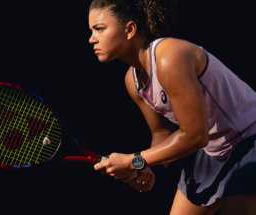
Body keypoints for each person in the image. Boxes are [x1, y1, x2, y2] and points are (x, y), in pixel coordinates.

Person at [89, 0, 256, 214]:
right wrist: (148, 167)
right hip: (213, 151)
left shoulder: (169, 56)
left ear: (130, 29)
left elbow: (195, 136)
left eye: (99, 29)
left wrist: (134, 160)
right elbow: (161, 132)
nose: (92, 38)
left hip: (249, 138)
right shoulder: (132, 82)